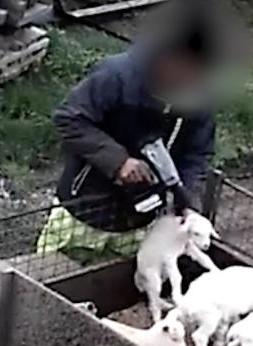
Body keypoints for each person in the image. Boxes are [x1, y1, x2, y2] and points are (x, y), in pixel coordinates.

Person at [37, 9, 220, 262]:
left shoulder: (198, 97)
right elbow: (69, 118)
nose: (191, 78)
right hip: (84, 207)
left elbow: (197, 153)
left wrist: (188, 201)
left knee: (124, 285)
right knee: (51, 273)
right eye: (186, 67)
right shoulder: (117, 76)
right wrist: (118, 161)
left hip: (141, 219)